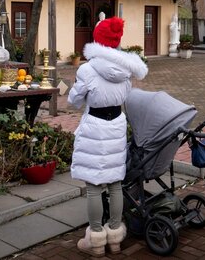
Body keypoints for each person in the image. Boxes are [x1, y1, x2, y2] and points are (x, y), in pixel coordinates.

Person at [68, 17, 148, 257]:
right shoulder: (126, 69)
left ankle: (95, 241)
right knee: (114, 183)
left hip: (95, 126)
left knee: (94, 186)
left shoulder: (87, 69)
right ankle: (115, 238)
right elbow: (125, 95)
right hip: (116, 126)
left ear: (97, 40)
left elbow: (73, 101)